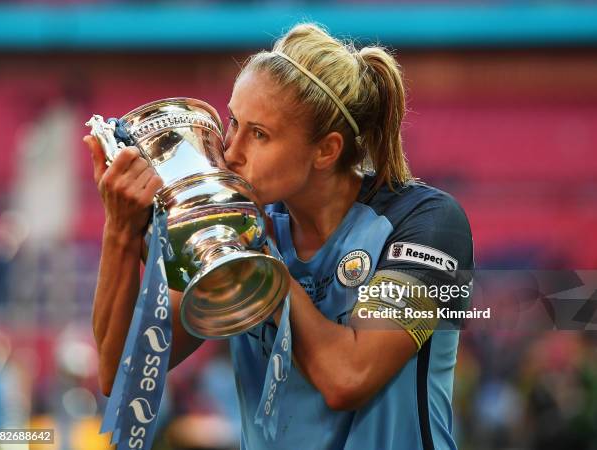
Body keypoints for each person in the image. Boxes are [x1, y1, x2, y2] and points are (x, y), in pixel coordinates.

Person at [86, 23, 473, 450]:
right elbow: (123, 372)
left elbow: (348, 378)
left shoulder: (426, 223)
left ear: (326, 150)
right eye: (234, 122)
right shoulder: (243, 223)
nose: (231, 151)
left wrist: (258, 263)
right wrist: (121, 232)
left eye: (260, 134)